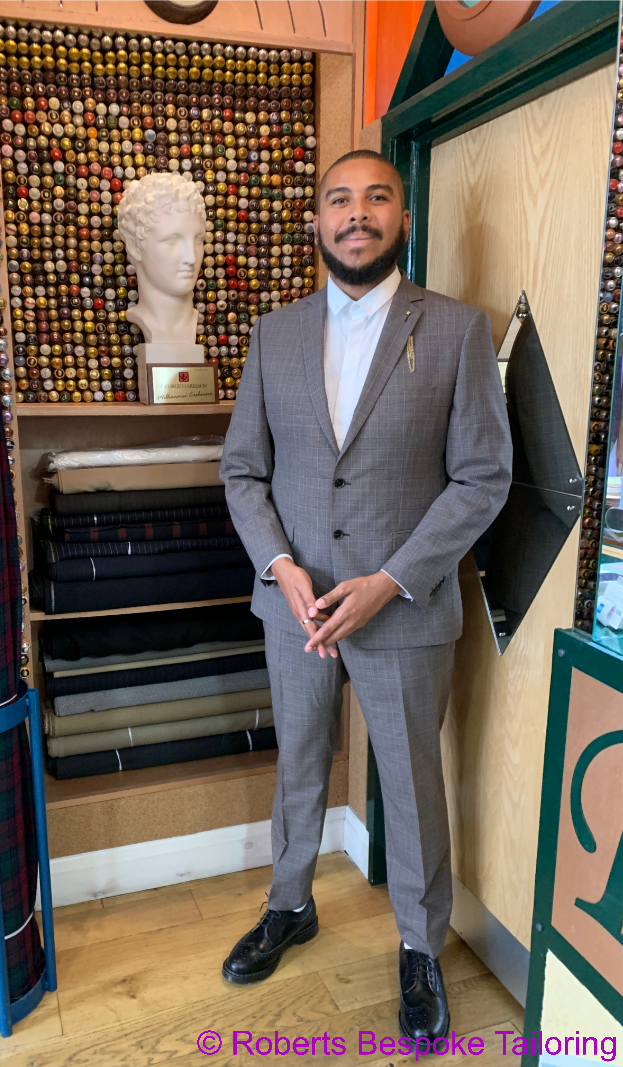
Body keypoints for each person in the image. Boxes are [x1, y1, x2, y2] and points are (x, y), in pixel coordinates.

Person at [219, 149, 512, 1038]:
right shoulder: (273, 335)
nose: (357, 214)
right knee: (299, 762)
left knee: (413, 782)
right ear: (317, 221)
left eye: (376, 197)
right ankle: (289, 903)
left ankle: (421, 946)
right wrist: (280, 565)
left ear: (403, 219)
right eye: (339, 200)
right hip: (296, 606)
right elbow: (243, 471)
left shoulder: (457, 330)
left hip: (405, 606)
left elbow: (483, 476)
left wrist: (391, 580)